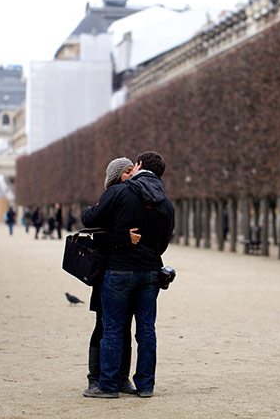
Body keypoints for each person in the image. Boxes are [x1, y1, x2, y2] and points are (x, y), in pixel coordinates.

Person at [81, 151, 175, 399]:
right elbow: (164, 243)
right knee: (146, 330)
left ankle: (108, 385)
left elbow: (89, 218)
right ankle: (145, 386)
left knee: (112, 328)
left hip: (119, 269)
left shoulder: (121, 192)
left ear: (139, 165)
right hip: (151, 270)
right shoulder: (166, 202)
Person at [84, 158, 141, 396]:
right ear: (116, 176)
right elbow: (91, 226)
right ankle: (95, 378)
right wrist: (121, 236)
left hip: (127, 269)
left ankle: (121, 378)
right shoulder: (110, 197)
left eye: (133, 171)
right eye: (127, 172)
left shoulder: (132, 198)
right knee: (103, 327)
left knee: (124, 327)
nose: (131, 175)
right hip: (106, 271)